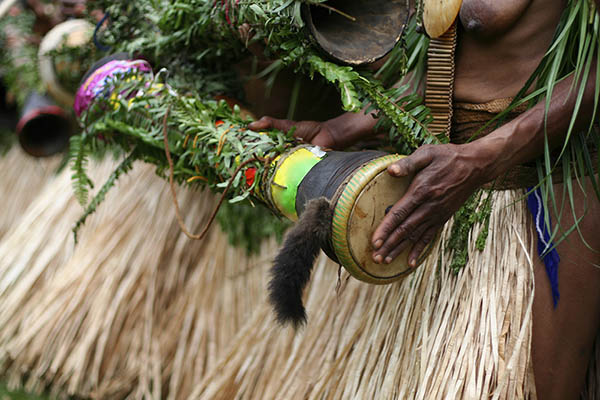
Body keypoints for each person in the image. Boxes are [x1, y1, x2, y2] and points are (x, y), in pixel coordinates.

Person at [248, 1, 600, 398]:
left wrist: (482, 157)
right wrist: (343, 126)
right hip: (443, 198)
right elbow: (442, 66)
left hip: (541, 208)